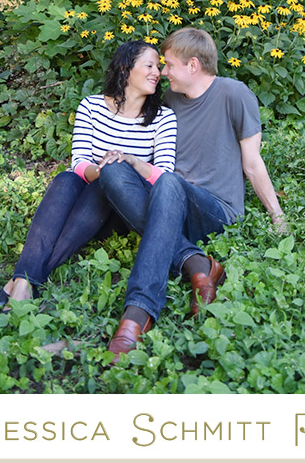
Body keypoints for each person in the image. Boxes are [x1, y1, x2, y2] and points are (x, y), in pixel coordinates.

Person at [97, 27, 288, 359]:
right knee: (113, 170)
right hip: (167, 204)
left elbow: (253, 163)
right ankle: (197, 262)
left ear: (193, 65)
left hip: (215, 209)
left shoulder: (234, 94)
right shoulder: (169, 100)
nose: (162, 73)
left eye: (169, 65)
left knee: (168, 181)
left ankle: (138, 311)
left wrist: (278, 216)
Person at [0, 40, 177, 307]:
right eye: (149, 66)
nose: (157, 73)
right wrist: (103, 171)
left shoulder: (163, 118)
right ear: (125, 69)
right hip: (85, 203)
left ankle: (24, 279)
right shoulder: (91, 107)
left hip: (122, 209)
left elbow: (164, 177)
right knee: (66, 178)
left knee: (107, 183)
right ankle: (24, 283)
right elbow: (79, 162)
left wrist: (125, 165)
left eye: (158, 67)